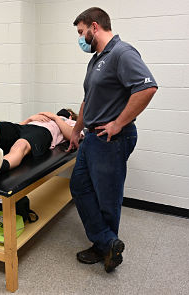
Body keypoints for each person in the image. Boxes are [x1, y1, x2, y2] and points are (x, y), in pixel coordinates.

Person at [68, 7, 158, 273]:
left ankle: (105, 249)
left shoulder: (122, 52)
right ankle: (108, 242)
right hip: (91, 137)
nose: (81, 39)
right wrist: (76, 130)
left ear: (95, 27)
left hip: (111, 140)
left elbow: (147, 87)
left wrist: (119, 124)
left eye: (82, 32)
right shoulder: (96, 59)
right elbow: (88, 99)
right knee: (79, 186)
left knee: (107, 198)